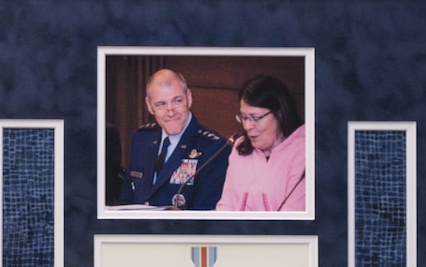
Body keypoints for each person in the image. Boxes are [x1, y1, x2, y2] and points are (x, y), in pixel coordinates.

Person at [116, 69, 228, 209]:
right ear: (149, 106)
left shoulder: (214, 149)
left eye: (177, 101)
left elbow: (203, 219)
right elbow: (125, 201)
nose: (170, 112)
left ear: (189, 97)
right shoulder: (142, 139)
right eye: (161, 104)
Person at [216, 74, 307, 213]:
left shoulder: (303, 151)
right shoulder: (240, 148)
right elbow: (226, 204)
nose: (247, 126)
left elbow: (294, 215)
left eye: (256, 118)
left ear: (280, 113)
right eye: (244, 117)